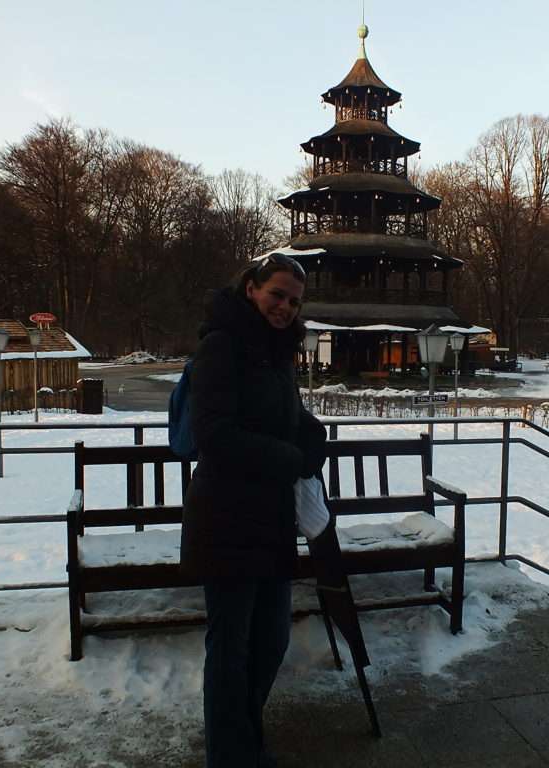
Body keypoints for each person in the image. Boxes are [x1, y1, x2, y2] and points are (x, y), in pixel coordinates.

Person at [181, 253, 327, 768]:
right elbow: (214, 436)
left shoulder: (277, 350)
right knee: (231, 648)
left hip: (268, 519)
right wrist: (289, 458)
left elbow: (286, 415)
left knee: (271, 639)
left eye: (293, 300)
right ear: (251, 288)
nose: (285, 306)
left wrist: (312, 434)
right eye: (277, 294)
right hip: (225, 518)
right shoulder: (221, 346)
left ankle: (244, 737)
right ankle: (232, 754)